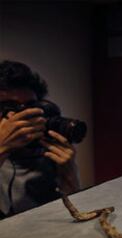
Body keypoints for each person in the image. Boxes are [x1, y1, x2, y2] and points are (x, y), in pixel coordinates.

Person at [0, 60, 80, 218]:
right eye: (9, 107)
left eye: (30, 107)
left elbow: (75, 213)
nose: (23, 117)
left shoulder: (46, 148)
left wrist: (69, 174)